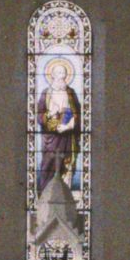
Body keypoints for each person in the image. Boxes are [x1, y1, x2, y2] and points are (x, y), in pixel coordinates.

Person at [35, 57, 82, 194]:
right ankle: (45, 196)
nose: (62, 76)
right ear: (53, 75)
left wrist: (68, 126)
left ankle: (65, 195)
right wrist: (51, 114)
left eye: (64, 73)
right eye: (59, 73)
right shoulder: (46, 93)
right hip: (51, 137)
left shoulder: (70, 93)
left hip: (67, 136)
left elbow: (77, 114)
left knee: (65, 165)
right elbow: (39, 116)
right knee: (48, 165)